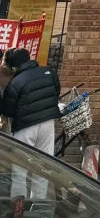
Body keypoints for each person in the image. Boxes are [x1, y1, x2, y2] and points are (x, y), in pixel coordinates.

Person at [1, 47, 61, 201]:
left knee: (20, 168)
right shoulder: (49, 72)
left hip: (25, 127)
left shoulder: (15, 82)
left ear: (13, 66)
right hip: (48, 124)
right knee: (42, 165)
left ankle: (18, 205)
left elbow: (8, 110)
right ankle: (38, 203)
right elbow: (56, 93)